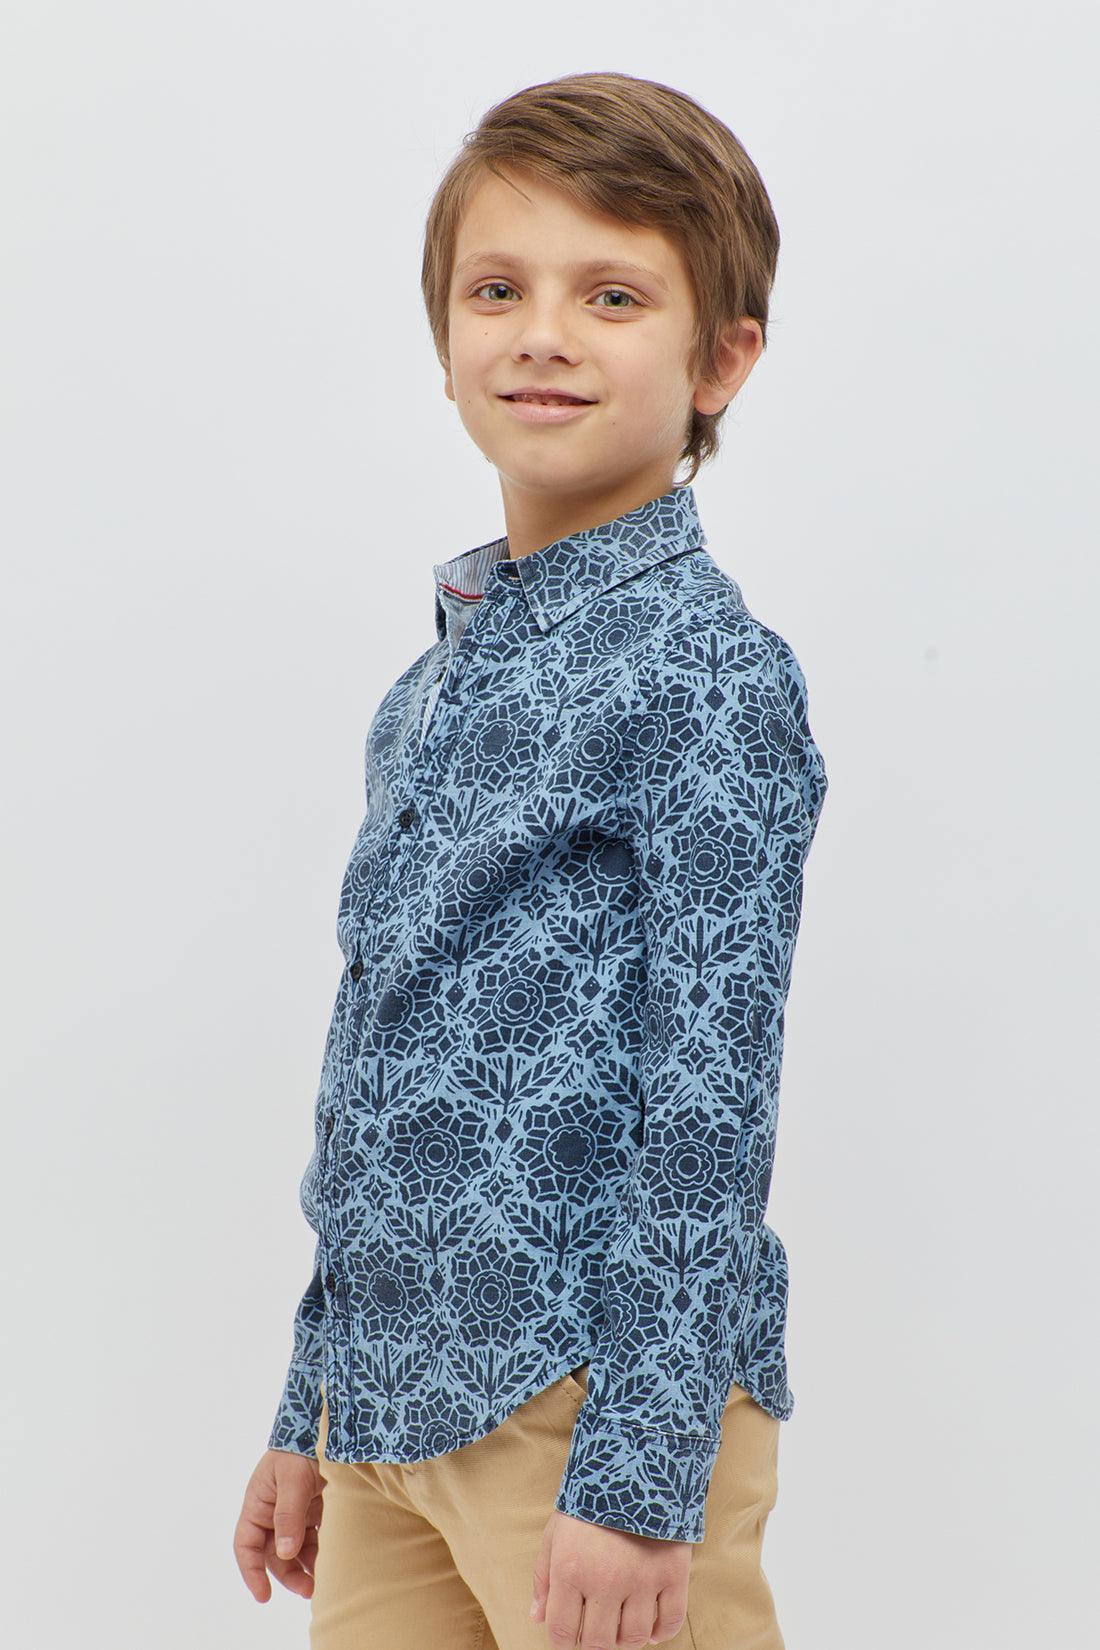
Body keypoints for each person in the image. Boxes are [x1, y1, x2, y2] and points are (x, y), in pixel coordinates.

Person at [233, 69, 828, 1650]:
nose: (542, 334)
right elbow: (375, 1069)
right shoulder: (425, 691)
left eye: (611, 296)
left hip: (585, 1403)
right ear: (444, 342)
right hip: (386, 1411)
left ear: (721, 360)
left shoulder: (708, 674)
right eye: (497, 290)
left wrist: (640, 1476)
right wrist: (310, 1401)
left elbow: (709, 1102)